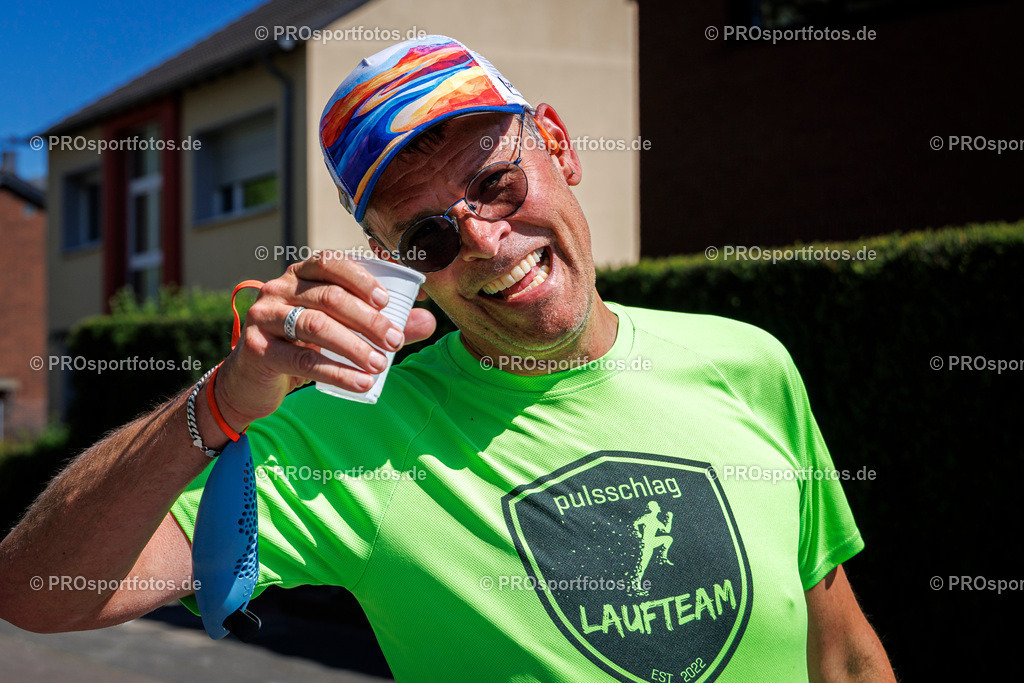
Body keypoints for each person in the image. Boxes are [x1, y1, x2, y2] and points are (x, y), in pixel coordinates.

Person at [0, 35, 895, 681]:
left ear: (559, 144)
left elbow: (842, 649)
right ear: (393, 262)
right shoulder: (341, 441)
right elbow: (41, 595)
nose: (488, 242)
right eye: (429, 235)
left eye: (496, 181)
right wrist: (223, 398)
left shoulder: (747, 361)